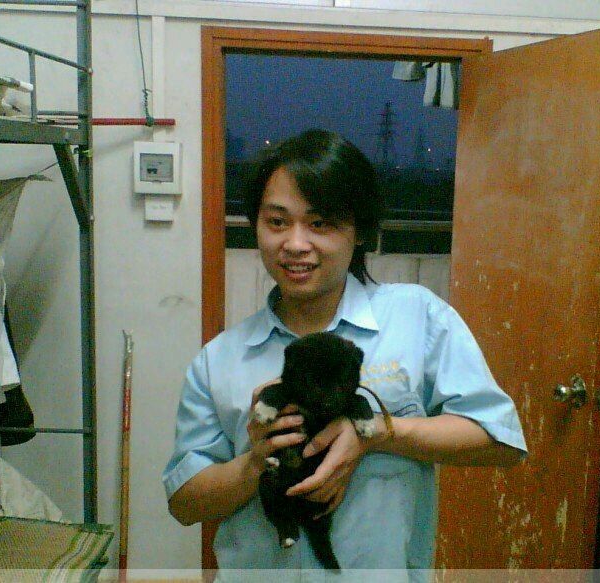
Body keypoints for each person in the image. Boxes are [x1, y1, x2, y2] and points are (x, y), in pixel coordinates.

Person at [163, 129, 527, 578]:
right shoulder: (220, 359)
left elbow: (500, 441)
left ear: (359, 232)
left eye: (320, 224)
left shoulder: (416, 318)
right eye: (277, 222)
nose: (295, 244)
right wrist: (255, 461)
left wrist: (380, 433)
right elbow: (184, 504)